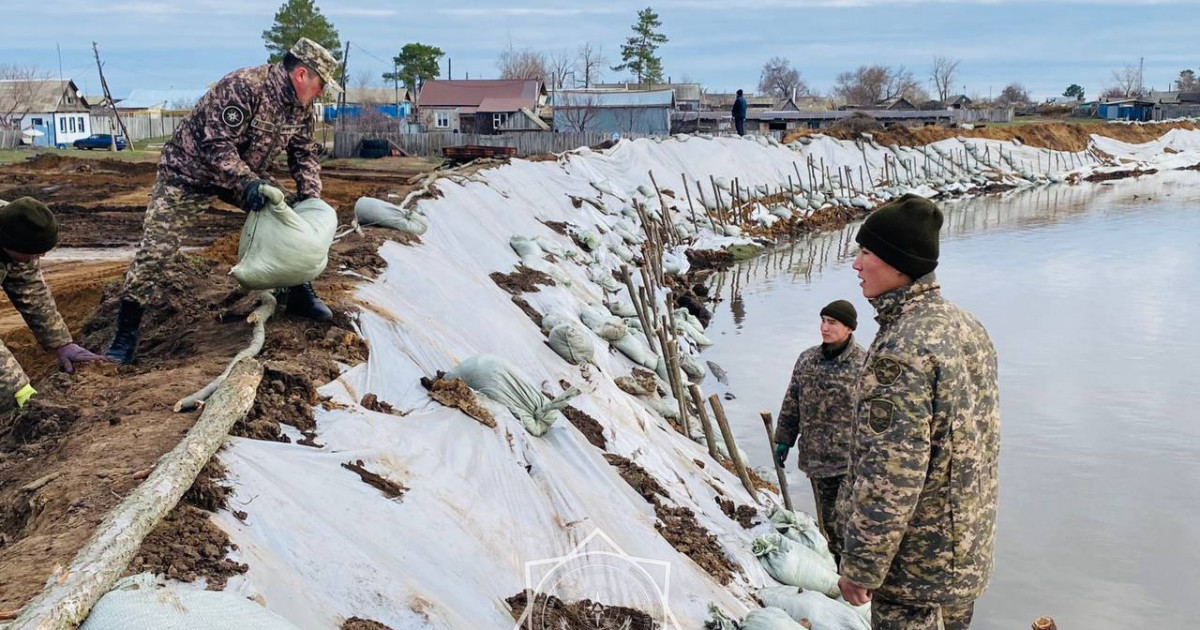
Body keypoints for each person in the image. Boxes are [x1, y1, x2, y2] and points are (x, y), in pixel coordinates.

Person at [105, 38, 343, 364]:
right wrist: (249, 183)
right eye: (320, 85)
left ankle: (299, 291)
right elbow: (216, 145)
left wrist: (311, 199)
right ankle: (124, 337)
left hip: (244, 178)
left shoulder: (300, 109)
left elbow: (304, 155)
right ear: (301, 74)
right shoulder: (244, 87)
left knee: (291, 219)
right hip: (189, 175)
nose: (321, 93)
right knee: (157, 250)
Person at [837, 194, 1000, 630]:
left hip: (914, 570)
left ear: (898, 262)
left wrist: (862, 565)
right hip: (963, 554)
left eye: (865, 253)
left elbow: (893, 472)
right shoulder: (966, 326)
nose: (855, 264)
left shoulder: (902, 348)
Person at [773, 299, 865, 566]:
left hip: (849, 462)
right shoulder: (807, 359)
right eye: (823, 320)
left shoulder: (863, 364)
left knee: (848, 522)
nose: (824, 327)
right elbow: (792, 401)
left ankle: (854, 576)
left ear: (848, 328)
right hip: (815, 457)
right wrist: (784, 440)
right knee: (827, 521)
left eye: (832, 322)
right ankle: (836, 572)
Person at [0, 198, 106, 411]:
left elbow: (29, 288)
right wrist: (17, 387)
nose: (41, 256)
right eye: (33, 252)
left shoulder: (15, 225)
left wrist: (61, 342)